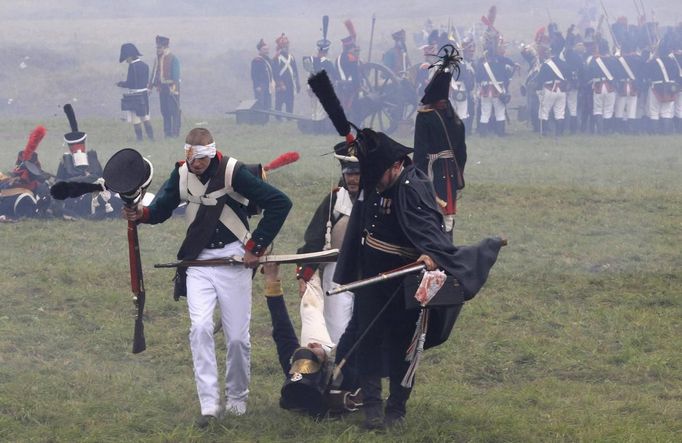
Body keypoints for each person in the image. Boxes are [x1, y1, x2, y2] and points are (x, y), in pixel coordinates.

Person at [333, 128, 503, 430]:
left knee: (403, 344)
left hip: (405, 278)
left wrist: (427, 254)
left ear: (396, 165)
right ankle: (372, 406)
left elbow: (431, 233)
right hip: (372, 273)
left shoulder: (414, 188)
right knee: (367, 337)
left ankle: (396, 409)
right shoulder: (375, 181)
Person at [122, 127, 292, 427]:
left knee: (238, 339)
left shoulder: (233, 172)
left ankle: (237, 399)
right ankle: (209, 404)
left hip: (234, 261)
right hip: (197, 262)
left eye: (199, 158)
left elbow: (280, 203)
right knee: (199, 329)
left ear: (211, 152)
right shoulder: (181, 173)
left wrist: (256, 246)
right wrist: (142, 215)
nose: (194, 163)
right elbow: (161, 207)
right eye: (190, 156)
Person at [262, 262, 363, 417]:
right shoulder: (344, 372)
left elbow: (281, 327)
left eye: (303, 352)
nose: (309, 345)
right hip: (336, 355)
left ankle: (309, 274)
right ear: (323, 371)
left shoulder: (293, 364)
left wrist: (271, 278)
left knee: (310, 309)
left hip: (321, 359)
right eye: (312, 355)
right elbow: (355, 329)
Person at [295, 142, 360, 343]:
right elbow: (315, 238)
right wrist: (305, 274)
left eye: (357, 173)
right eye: (349, 173)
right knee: (337, 328)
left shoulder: (381, 197)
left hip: (370, 269)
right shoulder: (334, 200)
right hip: (337, 269)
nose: (352, 178)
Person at [414, 47, 467, 237]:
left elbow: (420, 153)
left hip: (432, 170)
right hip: (450, 171)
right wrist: (458, 171)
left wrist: (416, 178)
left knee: (428, 212)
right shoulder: (456, 120)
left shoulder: (424, 117)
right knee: (447, 215)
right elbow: (461, 154)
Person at [117, 43, 154, 141]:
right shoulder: (145, 65)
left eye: (126, 58)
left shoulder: (132, 67)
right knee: (145, 117)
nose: (126, 61)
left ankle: (140, 139)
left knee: (136, 119)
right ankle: (151, 138)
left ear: (130, 56)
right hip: (144, 95)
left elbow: (130, 83)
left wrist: (121, 84)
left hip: (134, 96)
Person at [536, 33, 569, 136]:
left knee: (544, 112)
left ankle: (544, 133)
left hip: (549, 89)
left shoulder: (546, 64)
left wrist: (538, 90)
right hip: (561, 90)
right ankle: (559, 134)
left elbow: (540, 79)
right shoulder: (564, 64)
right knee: (560, 113)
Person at [149, 35, 181, 138]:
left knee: (174, 111)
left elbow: (176, 76)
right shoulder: (157, 59)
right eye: (157, 47)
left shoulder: (173, 59)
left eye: (159, 47)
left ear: (165, 47)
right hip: (162, 88)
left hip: (172, 88)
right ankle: (167, 133)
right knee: (165, 111)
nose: (157, 49)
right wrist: (150, 86)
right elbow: (154, 74)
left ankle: (175, 133)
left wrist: (173, 88)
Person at [273, 33, 301, 116]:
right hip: (281, 84)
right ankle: (278, 118)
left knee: (290, 102)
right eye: (285, 45)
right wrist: (280, 84)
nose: (287, 46)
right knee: (279, 102)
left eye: (287, 45)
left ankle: (289, 117)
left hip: (290, 84)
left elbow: (295, 71)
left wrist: (297, 82)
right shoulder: (276, 58)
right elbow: (275, 72)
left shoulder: (291, 57)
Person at [251, 38, 275, 118]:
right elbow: (254, 75)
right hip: (260, 85)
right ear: (260, 50)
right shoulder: (257, 60)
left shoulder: (268, 60)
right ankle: (260, 119)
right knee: (260, 102)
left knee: (267, 102)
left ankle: (266, 119)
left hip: (268, 84)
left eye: (267, 49)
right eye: (264, 49)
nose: (266, 51)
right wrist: (257, 85)